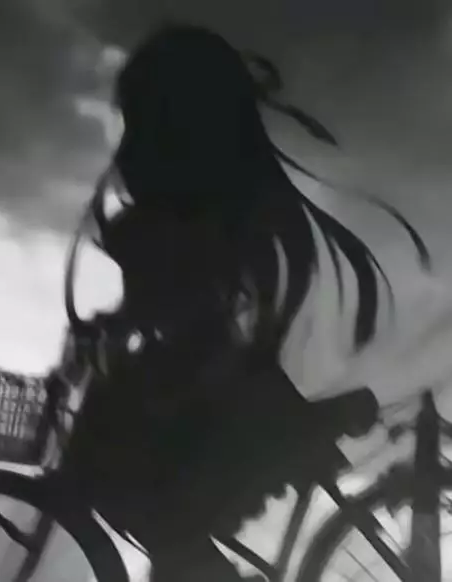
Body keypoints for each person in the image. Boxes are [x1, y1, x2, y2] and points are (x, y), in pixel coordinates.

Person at [60, 23, 430, 582]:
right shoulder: (200, 205)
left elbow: (190, 305)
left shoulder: (203, 214)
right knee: (155, 514)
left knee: (160, 515)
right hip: (226, 390)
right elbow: (178, 302)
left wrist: (124, 326)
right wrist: (120, 322)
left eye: (140, 117)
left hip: (234, 402)